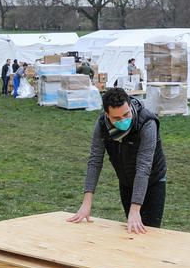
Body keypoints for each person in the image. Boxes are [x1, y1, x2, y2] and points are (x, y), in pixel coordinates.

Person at [68, 87, 168, 234]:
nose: (123, 120)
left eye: (126, 114)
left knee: (148, 232)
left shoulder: (147, 123)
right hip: (126, 181)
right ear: (107, 115)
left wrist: (135, 209)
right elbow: (95, 161)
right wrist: (86, 203)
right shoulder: (102, 125)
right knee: (132, 230)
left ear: (129, 106)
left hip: (153, 180)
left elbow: (144, 166)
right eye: (117, 118)